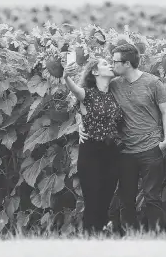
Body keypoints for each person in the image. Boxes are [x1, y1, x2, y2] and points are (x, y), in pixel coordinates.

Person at [79, 43, 166, 233]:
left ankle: (156, 240)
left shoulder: (153, 82)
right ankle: (131, 239)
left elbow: (165, 111)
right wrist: (79, 124)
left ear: (127, 63)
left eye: (115, 61)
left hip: (150, 148)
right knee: (126, 200)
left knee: (152, 198)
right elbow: (87, 100)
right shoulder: (113, 84)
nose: (112, 65)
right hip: (125, 151)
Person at [63, 57, 124, 235]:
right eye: (105, 64)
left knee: (105, 201)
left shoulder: (114, 93)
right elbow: (74, 90)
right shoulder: (87, 93)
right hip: (91, 153)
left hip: (111, 153)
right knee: (92, 202)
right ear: (95, 72)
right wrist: (66, 77)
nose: (110, 65)